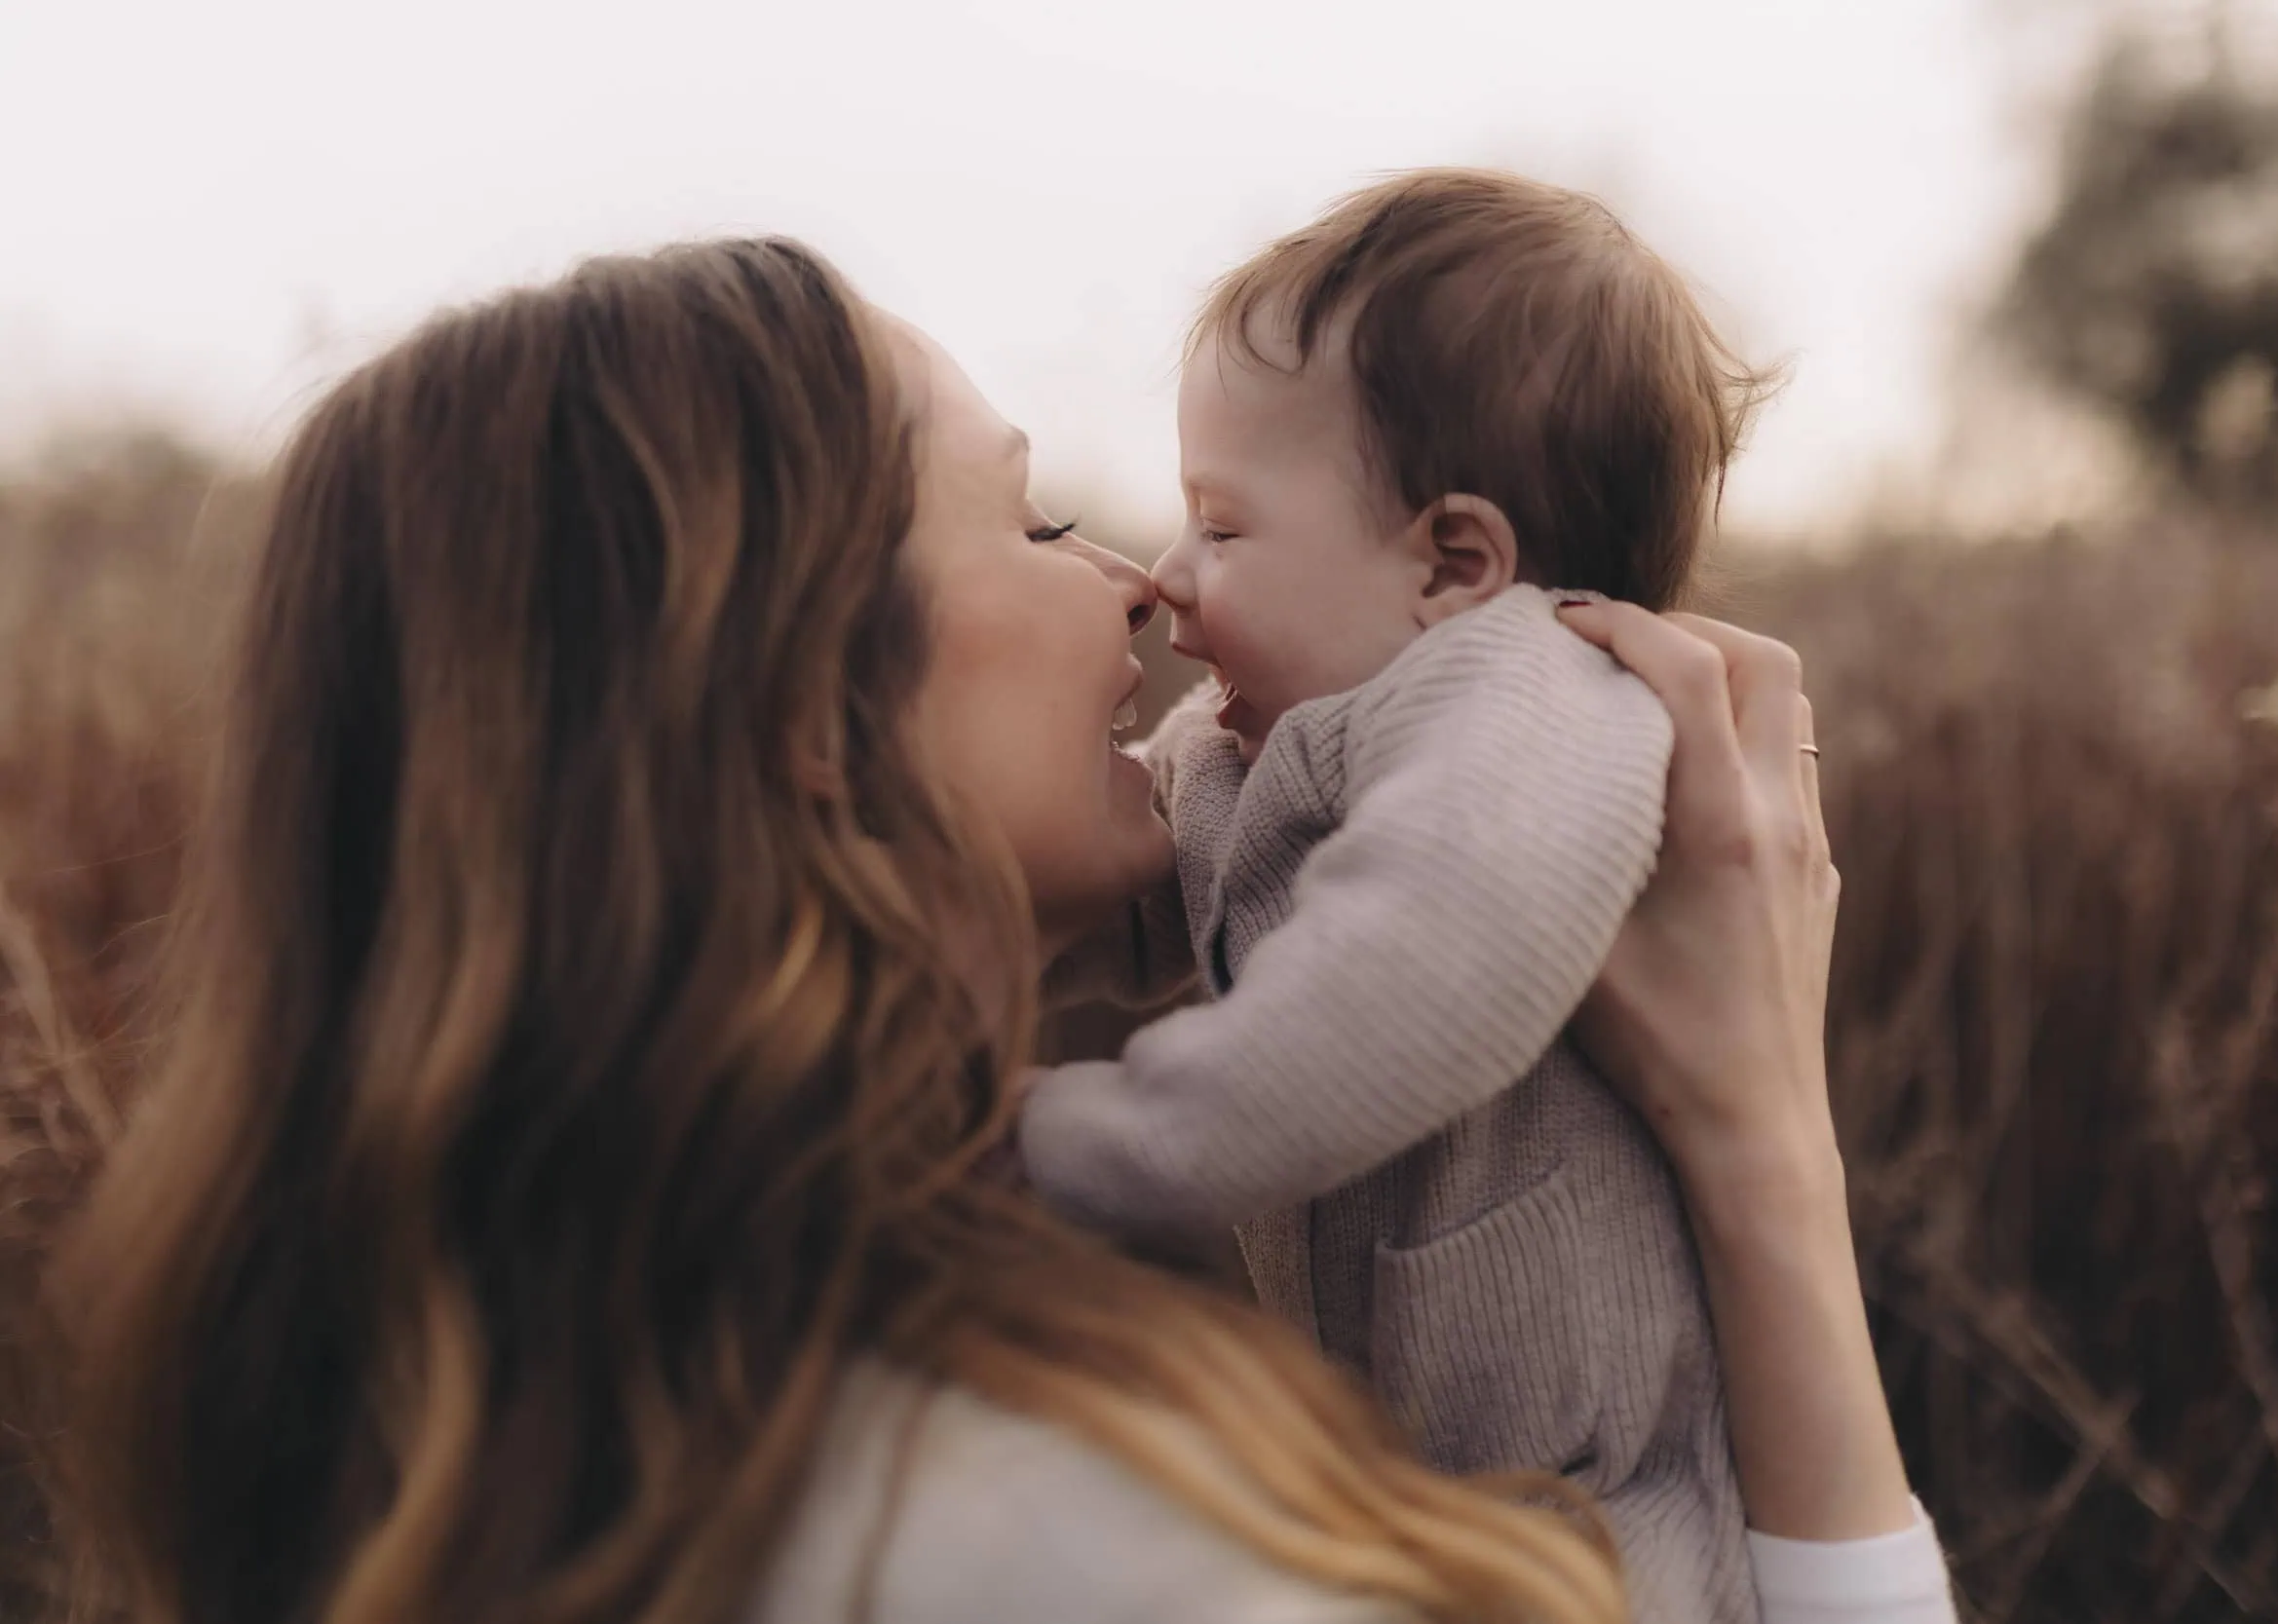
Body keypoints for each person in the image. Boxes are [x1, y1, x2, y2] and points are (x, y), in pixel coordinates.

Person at [48, 237, 1953, 1624]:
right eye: (1030, 522)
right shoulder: (1068, 1544)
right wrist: (1760, 1143)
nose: (1135, 586)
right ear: (801, 703)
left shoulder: (458, 1406)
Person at [1019, 170, 1764, 1621]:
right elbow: (1157, 883)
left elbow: (1432, 954)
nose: (1171, 578)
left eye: (1223, 530)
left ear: (1455, 562)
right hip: (1448, 1506)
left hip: (1613, 1529)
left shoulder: (1532, 693)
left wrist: (1075, 1143)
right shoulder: (1291, 738)